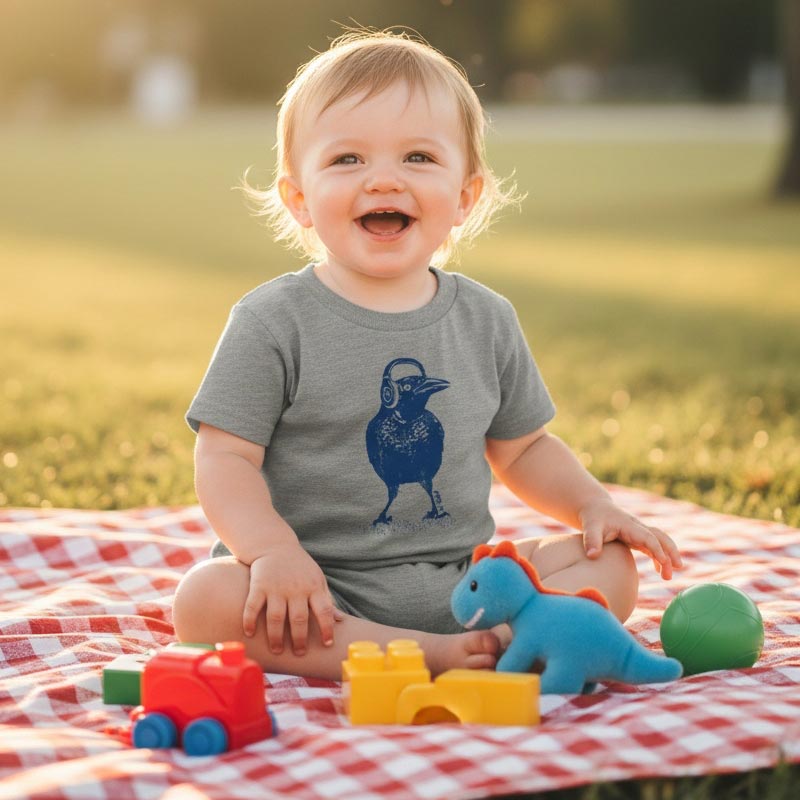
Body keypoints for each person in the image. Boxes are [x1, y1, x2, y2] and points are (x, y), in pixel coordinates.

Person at [173, 28, 683, 681]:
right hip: (322, 592)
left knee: (611, 562)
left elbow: (524, 449)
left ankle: (496, 640)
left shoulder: (486, 319)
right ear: (298, 198)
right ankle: (428, 656)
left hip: (465, 586)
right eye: (347, 160)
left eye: (417, 157)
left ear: (465, 198)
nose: (383, 179)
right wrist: (271, 551)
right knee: (206, 601)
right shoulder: (271, 323)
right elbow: (224, 457)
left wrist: (592, 507)